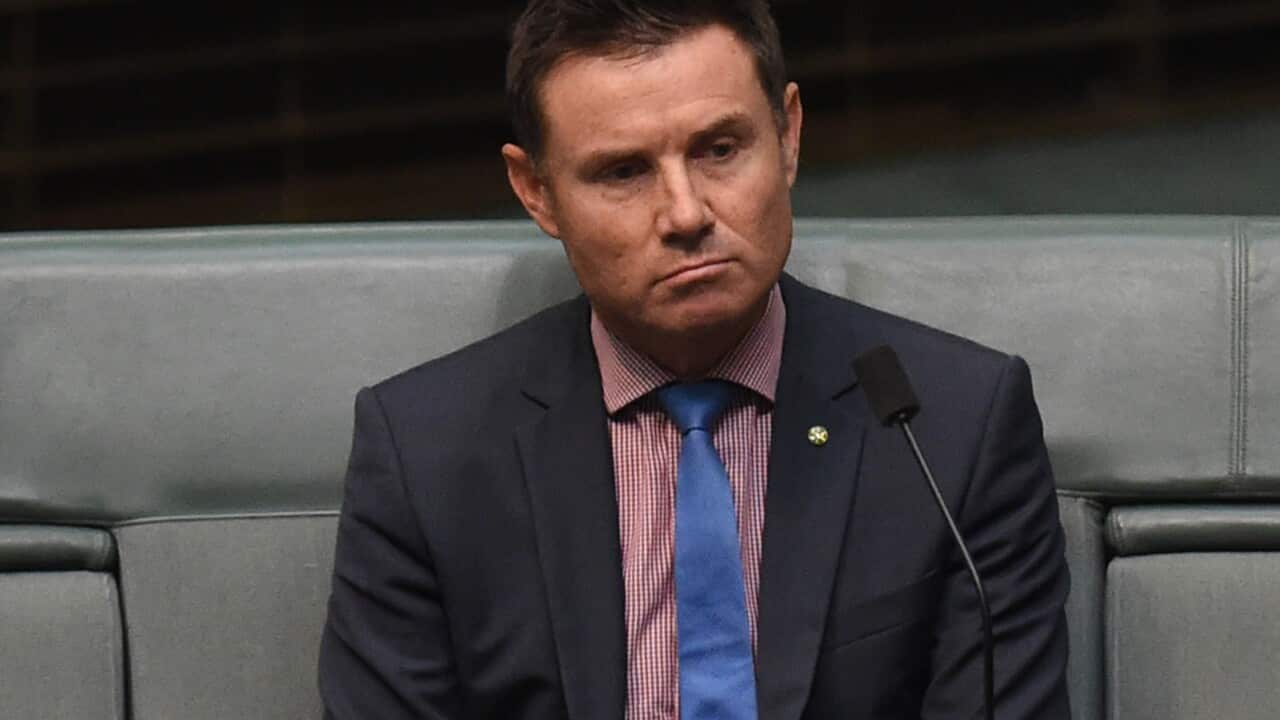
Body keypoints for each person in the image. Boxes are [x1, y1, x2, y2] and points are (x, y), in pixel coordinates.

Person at [318, 1, 1072, 718]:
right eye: (624, 172)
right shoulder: (425, 456)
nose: (685, 214)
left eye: (719, 150)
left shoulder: (951, 428)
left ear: (789, 135)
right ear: (537, 193)